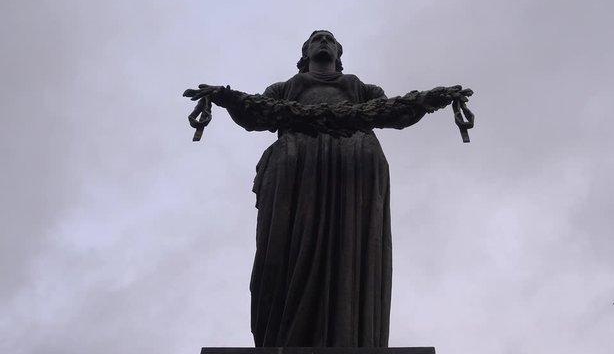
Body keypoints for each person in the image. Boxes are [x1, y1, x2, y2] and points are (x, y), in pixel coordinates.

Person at [184, 30, 473, 347]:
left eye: (329, 39)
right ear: (306, 51)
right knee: (278, 254)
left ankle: (349, 334)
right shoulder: (284, 89)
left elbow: (395, 113)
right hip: (294, 164)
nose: (323, 41)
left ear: (338, 51)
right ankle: (280, 336)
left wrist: (429, 99)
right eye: (316, 39)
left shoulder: (361, 89)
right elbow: (257, 114)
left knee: (351, 246)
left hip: (354, 162)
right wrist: (226, 97)